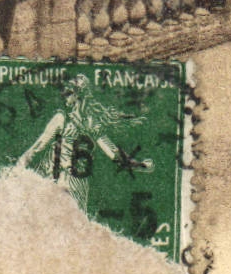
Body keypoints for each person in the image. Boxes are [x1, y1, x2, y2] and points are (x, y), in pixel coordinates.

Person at [17, 74, 152, 213]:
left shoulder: (61, 118)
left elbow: (38, 146)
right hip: (78, 186)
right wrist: (139, 165)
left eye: (69, 92)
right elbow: (114, 155)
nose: (64, 96)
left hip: (57, 180)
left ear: (79, 95)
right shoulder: (93, 124)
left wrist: (18, 166)